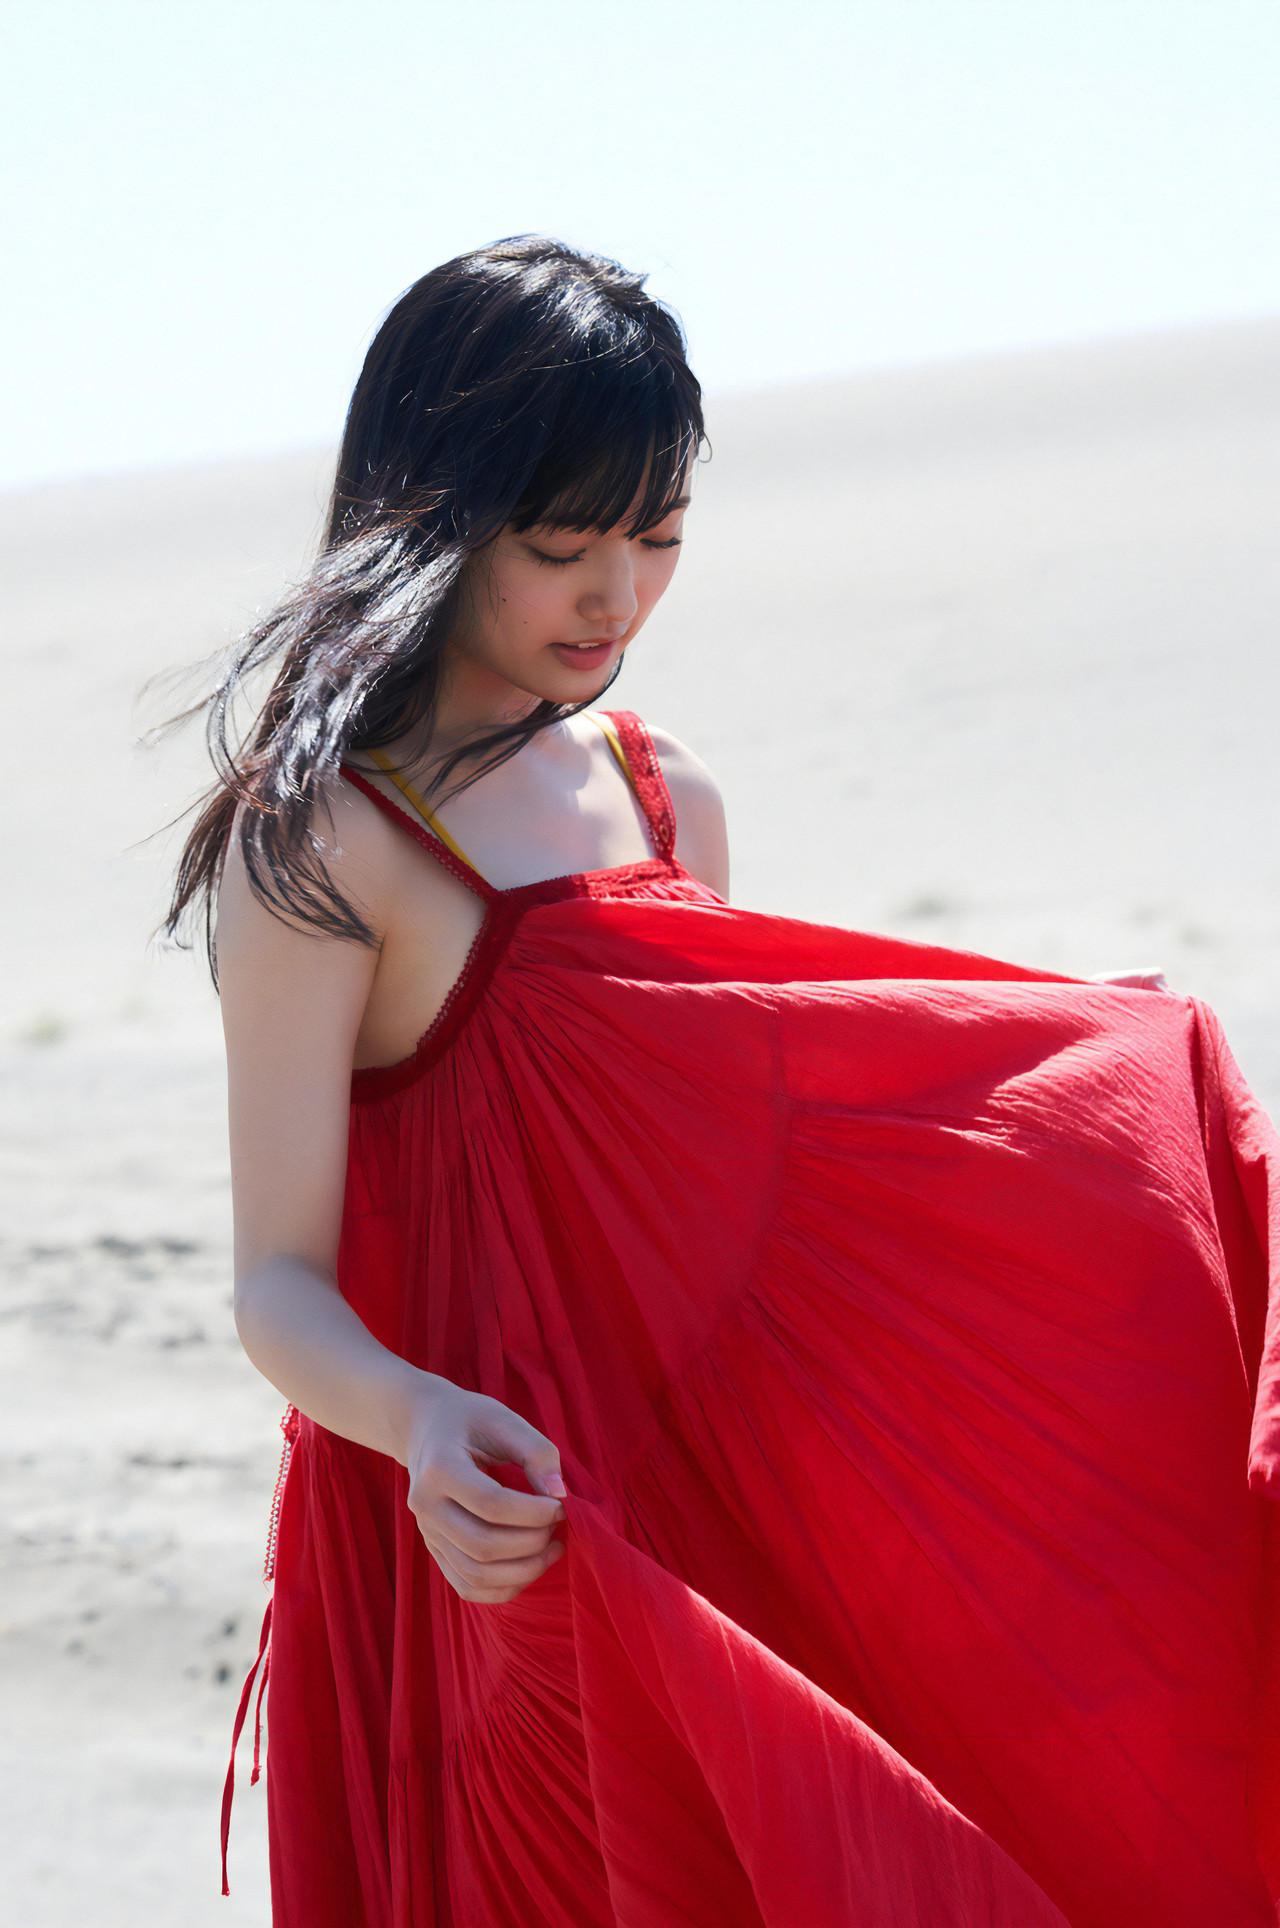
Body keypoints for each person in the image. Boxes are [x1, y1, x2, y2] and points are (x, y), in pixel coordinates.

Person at [157, 236, 1279, 1925]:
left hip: (705, 1500)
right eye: (561, 546)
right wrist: (417, 1420)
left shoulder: (663, 786)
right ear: (434, 514)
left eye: (659, 536)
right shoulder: (322, 837)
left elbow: (746, 1151)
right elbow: (276, 1285)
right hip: (490, 1526)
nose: (614, 598)